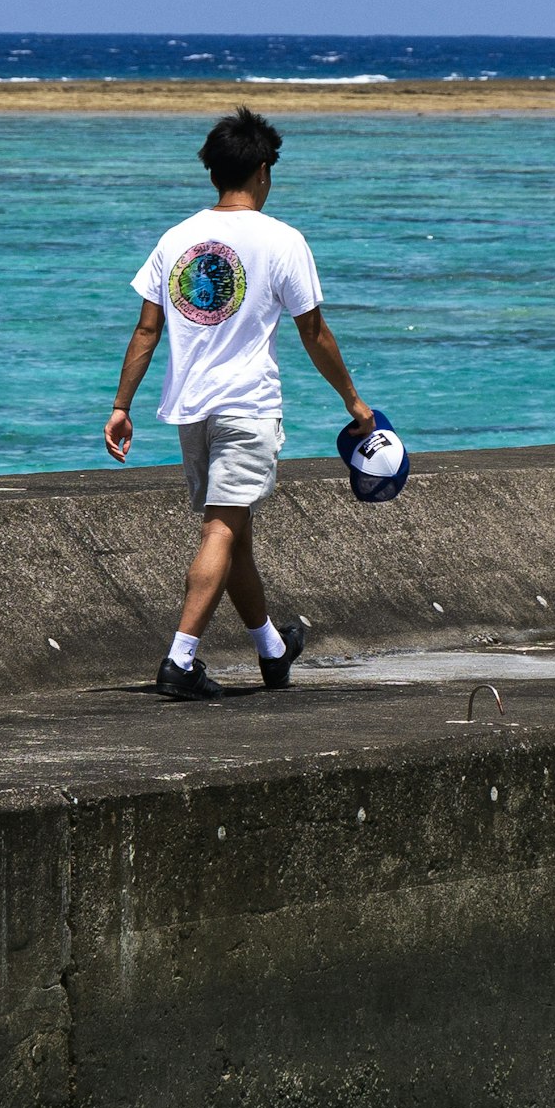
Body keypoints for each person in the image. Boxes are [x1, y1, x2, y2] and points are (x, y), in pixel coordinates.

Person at [104, 106, 374, 700]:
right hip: (247, 406)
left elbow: (146, 331)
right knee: (222, 530)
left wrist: (121, 406)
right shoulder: (282, 240)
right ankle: (180, 660)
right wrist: (354, 402)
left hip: (191, 410)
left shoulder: (176, 239)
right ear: (260, 170)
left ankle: (273, 651)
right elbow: (314, 332)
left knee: (235, 533)